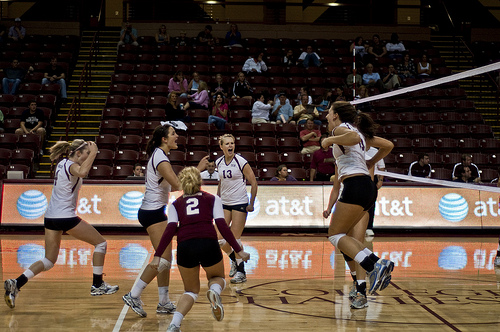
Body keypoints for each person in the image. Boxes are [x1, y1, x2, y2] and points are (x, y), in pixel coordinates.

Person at [3, 139, 119, 309]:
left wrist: (90, 154)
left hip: (51, 217)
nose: (88, 156)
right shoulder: (71, 165)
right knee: (101, 243)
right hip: (64, 217)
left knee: (49, 260)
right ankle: (97, 285)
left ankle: (17, 283)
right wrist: (94, 154)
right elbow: (83, 172)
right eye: (86, 153)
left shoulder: (62, 163)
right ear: (78, 153)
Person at [122, 123, 209, 318]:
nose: (176, 136)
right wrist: (198, 169)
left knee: (165, 260)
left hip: (154, 211)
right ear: (164, 138)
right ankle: (133, 294)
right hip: (152, 213)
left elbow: (175, 184)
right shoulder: (160, 158)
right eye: (173, 134)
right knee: (162, 259)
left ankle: (163, 302)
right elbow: (179, 184)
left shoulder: (161, 156)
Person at [149, 167, 250, 332]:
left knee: (190, 290)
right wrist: (238, 250)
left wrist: (157, 256)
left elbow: (169, 231)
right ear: (200, 181)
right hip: (208, 243)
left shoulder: (175, 204)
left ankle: (174, 325)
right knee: (218, 278)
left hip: (185, 246)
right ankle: (214, 292)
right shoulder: (212, 199)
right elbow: (222, 226)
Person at [321, 101, 395, 307]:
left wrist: (329, 139)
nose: (326, 117)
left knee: (335, 235)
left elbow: (352, 138)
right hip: (366, 188)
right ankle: (362, 282)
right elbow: (387, 145)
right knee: (347, 238)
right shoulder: (358, 133)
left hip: (355, 185)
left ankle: (376, 264)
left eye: (328, 113)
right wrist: (371, 162)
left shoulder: (342, 129)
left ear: (336, 115)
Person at [216, 134, 258, 284]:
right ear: (221, 146)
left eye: (232, 143)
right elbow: (221, 182)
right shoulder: (219, 162)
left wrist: (251, 203)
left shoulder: (241, 161)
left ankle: (241, 272)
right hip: (225, 203)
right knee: (219, 238)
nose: (230, 146)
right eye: (227, 143)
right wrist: (217, 199)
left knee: (234, 238)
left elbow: (253, 182)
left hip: (239, 203)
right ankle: (234, 259)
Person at [365, 147, 385, 237]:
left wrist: (380, 180)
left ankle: (369, 227)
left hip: (373, 178)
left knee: (371, 203)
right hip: (359, 177)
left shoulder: (375, 151)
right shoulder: (357, 148)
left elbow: (381, 167)